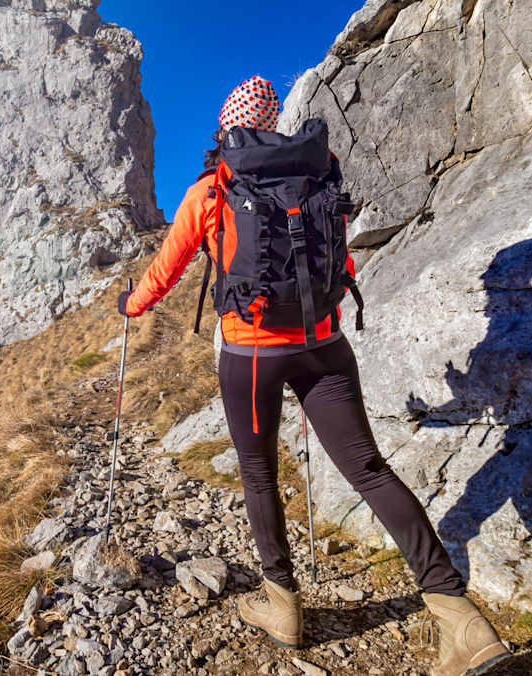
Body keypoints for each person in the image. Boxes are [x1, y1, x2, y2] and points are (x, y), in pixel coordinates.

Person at [117, 76, 511, 676]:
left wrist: (132, 305)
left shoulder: (213, 188)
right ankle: (460, 617)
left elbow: (166, 268)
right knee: (368, 468)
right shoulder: (319, 173)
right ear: (274, 122)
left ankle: (283, 608)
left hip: (251, 358)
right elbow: (340, 259)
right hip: (325, 345)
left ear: (227, 126)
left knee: (258, 474)